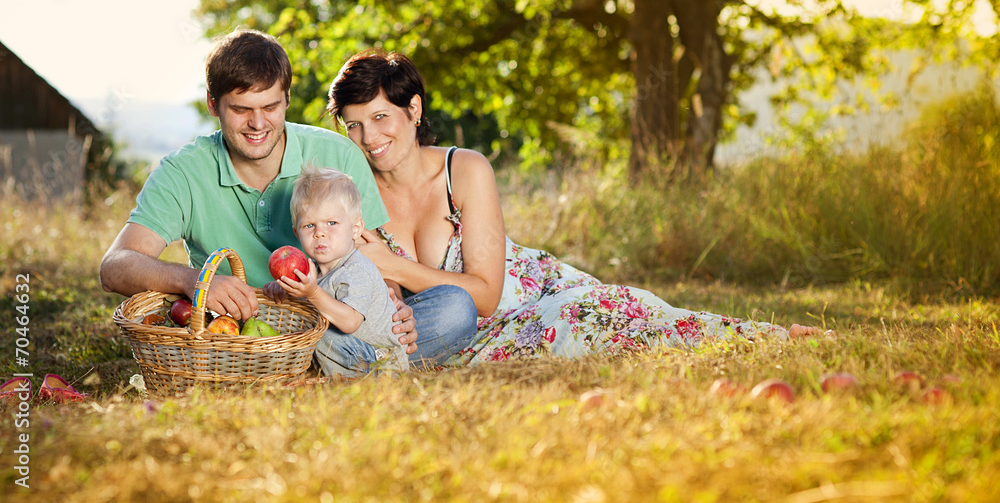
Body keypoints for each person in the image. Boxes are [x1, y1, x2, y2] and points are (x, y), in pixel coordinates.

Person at [327, 50, 824, 365]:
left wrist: (393, 264)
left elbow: (483, 292)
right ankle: (761, 338)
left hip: (521, 287)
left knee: (627, 310)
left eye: (380, 116)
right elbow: (380, 295)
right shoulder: (351, 193)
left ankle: (764, 338)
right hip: (462, 332)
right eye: (354, 125)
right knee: (579, 323)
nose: (370, 138)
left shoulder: (464, 170)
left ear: (412, 110)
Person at [99, 28, 477, 370]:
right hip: (250, 335)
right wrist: (194, 281)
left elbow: (372, 260)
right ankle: (350, 366)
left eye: (270, 107)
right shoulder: (183, 172)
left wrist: (390, 308)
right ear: (214, 105)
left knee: (455, 307)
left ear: (288, 100)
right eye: (241, 109)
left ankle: (349, 362)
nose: (258, 123)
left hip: (338, 318)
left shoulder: (340, 155)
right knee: (314, 344)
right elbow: (115, 266)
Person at [263, 164, 408, 375]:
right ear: (297, 233)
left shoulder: (358, 269)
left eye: (331, 222)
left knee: (319, 335)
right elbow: (311, 305)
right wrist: (284, 291)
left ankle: (361, 377)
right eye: (309, 226)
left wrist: (312, 293)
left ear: (355, 229)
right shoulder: (312, 272)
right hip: (352, 350)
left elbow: (350, 322)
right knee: (306, 329)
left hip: (380, 358)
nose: (320, 233)